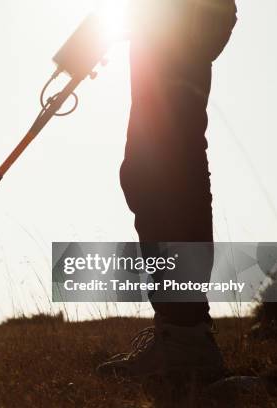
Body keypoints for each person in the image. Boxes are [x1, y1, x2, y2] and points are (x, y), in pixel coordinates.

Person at [97, 0, 238, 378]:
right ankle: (182, 331)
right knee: (150, 170)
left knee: (166, 167)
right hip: (167, 21)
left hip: (181, 18)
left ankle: (185, 338)